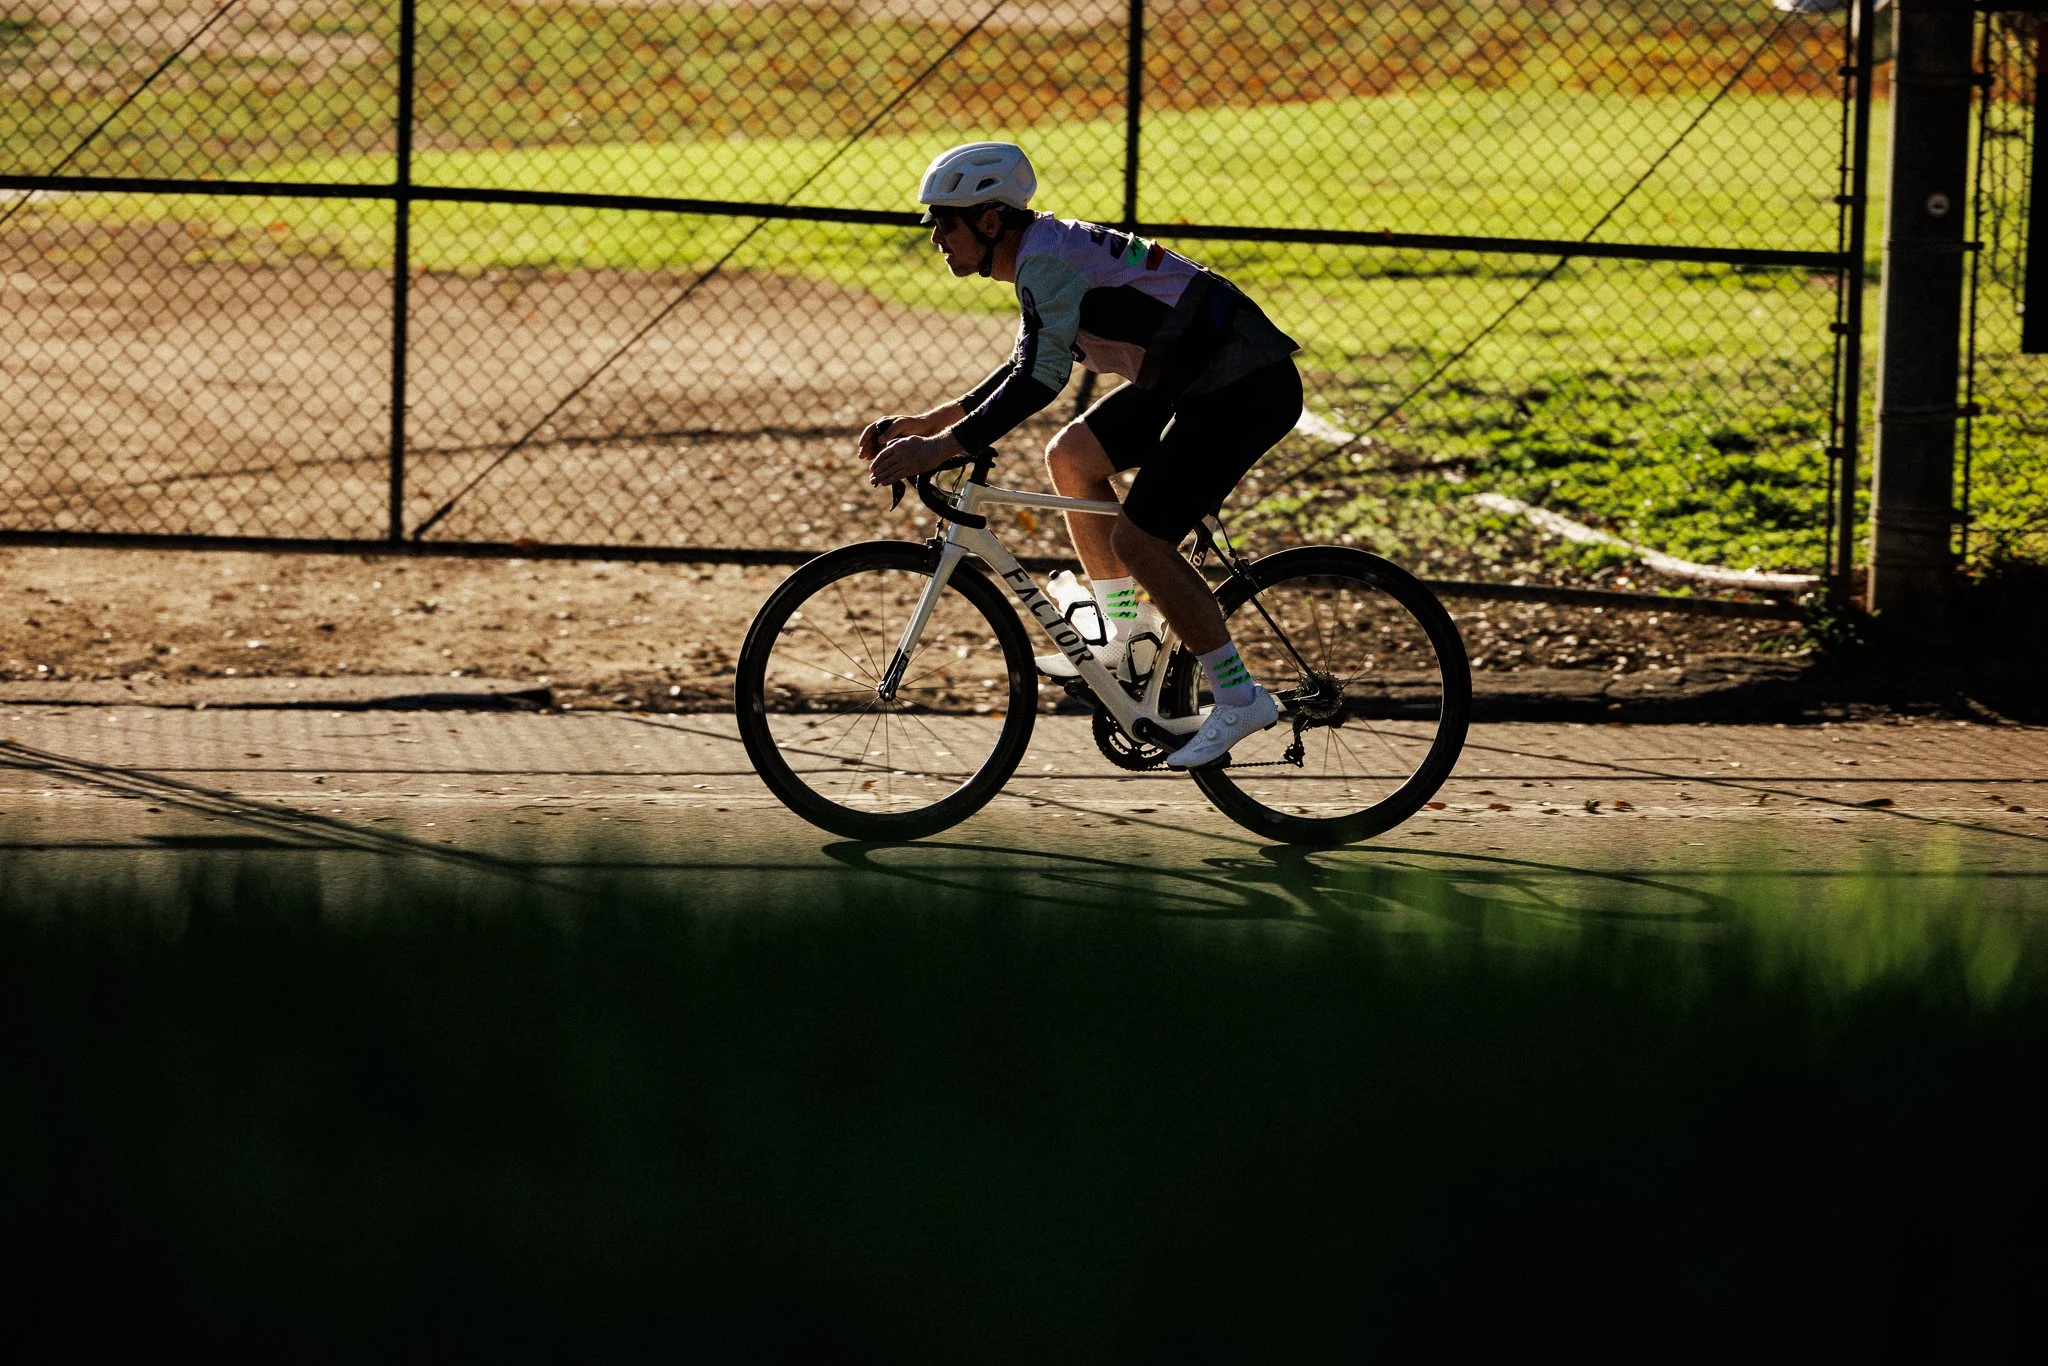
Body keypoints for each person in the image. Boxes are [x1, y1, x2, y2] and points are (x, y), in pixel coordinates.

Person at [859, 141, 1304, 770]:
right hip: (1190, 380)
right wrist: (931, 423)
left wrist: (939, 447)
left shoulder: (1045, 262)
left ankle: (1237, 696)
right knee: (1071, 458)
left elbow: (1041, 381)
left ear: (990, 221)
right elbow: (1025, 365)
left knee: (1141, 543)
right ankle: (1130, 638)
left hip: (1243, 386)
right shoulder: (1041, 255)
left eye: (945, 223)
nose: (936, 237)